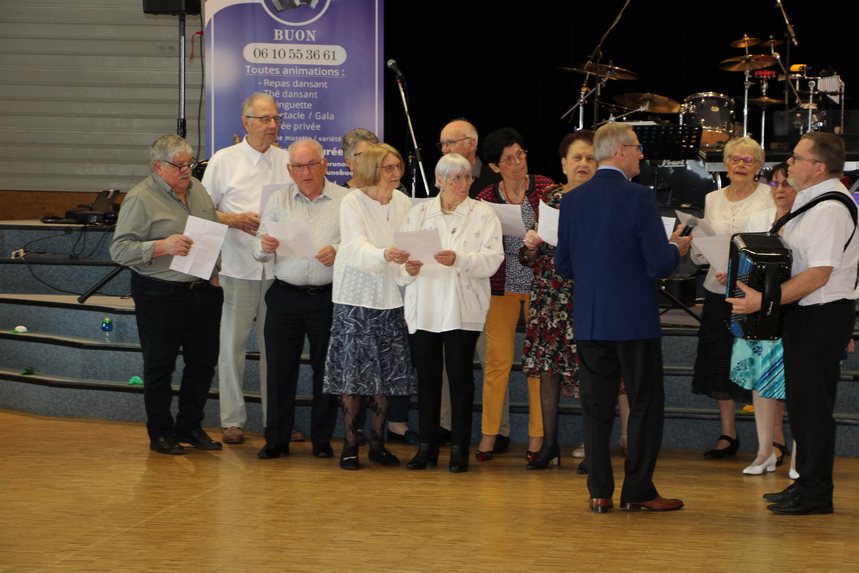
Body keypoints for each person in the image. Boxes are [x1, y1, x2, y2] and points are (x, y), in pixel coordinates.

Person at [554, 122, 691, 513]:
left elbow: (563, 265)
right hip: (634, 320)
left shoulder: (574, 200)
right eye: (636, 148)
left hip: (592, 318)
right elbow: (656, 262)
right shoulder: (639, 198)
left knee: (595, 408)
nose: (641, 154)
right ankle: (638, 490)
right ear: (619, 151)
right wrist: (674, 247)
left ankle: (598, 492)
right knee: (644, 402)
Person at [729, 133, 859, 515]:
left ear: (819, 167)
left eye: (798, 158)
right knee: (802, 405)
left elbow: (819, 274)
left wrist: (762, 301)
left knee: (813, 406)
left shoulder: (830, 208)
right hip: (807, 314)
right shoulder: (814, 201)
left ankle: (817, 492)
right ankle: (806, 483)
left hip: (821, 315)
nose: (789, 165)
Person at [110, 134, 224, 455]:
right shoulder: (141, 198)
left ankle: (189, 425)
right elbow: (119, 250)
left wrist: (215, 274)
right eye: (180, 165)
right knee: (160, 366)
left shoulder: (197, 189)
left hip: (203, 290)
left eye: (190, 163)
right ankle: (160, 432)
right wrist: (163, 245)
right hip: (160, 293)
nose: (187, 170)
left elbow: (212, 229)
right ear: (158, 166)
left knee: (202, 364)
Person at [399, 153, 503, 473]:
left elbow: (492, 259)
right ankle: (426, 447)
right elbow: (400, 266)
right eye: (455, 178)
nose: (463, 184)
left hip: (463, 306)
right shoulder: (417, 214)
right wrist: (409, 268)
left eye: (467, 177)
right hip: (425, 305)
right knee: (428, 378)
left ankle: (459, 448)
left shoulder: (483, 213)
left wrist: (458, 259)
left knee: (459, 377)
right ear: (438, 180)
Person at [201, 92, 292, 445]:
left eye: (276, 119)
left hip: (280, 272)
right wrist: (233, 219)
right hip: (236, 268)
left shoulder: (287, 161)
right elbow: (202, 211)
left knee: (277, 351)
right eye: (265, 119)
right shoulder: (224, 160)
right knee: (232, 347)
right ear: (246, 123)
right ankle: (233, 420)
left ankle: (276, 422)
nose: (272, 125)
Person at [251, 139, 348, 460]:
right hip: (284, 297)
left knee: (327, 371)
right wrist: (263, 246)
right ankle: (276, 440)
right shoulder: (278, 200)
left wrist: (339, 251)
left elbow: (359, 246)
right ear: (289, 170)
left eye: (311, 165)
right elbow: (257, 249)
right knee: (279, 371)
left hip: (328, 298)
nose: (305, 172)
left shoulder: (346, 200)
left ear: (325, 164)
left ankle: (322, 439)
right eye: (298, 166)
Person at [323, 143, 417, 470]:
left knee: (386, 375)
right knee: (354, 374)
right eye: (388, 168)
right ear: (373, 171)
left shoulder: (404, 202)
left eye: (397, 167)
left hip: (390, 298)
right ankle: (350, 445)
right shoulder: (353, 201)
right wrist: (385, 254)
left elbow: (408, 247)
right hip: (356, 299)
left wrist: (410, 268)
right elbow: (355, 246)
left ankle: (378, 444)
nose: (395, 174)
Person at [691, 137, 774, 460]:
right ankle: (728, 434)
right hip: (718, 289)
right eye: (735, 160)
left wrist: (741, 271)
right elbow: (706, 245)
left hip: (754, 292)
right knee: (719, 360)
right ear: (725, 164)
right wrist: (704, 253)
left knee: (760, 363)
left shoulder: (770, 196)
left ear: (759, 166)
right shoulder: (712, 198)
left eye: (748, 161)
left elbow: (772, 246)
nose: (740, 165)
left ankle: (774, 440)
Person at [475, 128, 554, 462]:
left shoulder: (547, 188)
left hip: (540, 287)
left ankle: (537, 440)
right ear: (495, 166)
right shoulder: (486, 198)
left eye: (520, 154)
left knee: (536, 367)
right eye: (508, 159)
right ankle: (487, 437)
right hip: (502, 287)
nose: (517, 162)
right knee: (497, 364)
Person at [519, 130, 595, 469]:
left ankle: (593, 449)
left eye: (590, 158)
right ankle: (550, 445)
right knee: (547, 372)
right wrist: (531, 246)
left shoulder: (602, 198)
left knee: (590, 373)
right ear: (563, 163)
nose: (583, 164)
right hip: (549, 297)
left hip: (587, 295)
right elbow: (527, 258)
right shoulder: (550, 197)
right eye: (576, 158)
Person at [438, 118, 505, 450]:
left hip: (491, 284)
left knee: (490, 360)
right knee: (452, 362)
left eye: (452, 143)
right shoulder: (440, 188)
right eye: (444, 145)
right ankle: (447, 426)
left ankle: (498, 430)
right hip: (447, 289)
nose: (447, 150)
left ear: (472, 144)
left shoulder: (495, 175)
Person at [727, 162, 793, 475]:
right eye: (775, 184)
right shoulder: (759, 219)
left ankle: (801, 455)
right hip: (757, 313)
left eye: (787, 183)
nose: (780, 190)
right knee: (760, 380)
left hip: (795, 312)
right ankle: (764, 450)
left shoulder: (810, 219)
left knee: (797, 384)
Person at [437, 119, 501, 198]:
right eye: (442, 144)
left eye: (451, 142)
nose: (444, 149)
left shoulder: (496, 181)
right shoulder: (439, 182)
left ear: (471, 144)